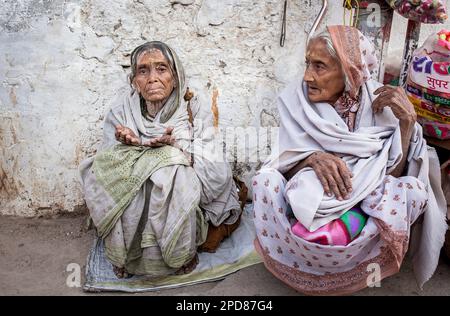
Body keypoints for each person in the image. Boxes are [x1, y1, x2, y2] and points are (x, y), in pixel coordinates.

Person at [252, 26, 447, 295]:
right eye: (307, 63)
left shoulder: (381, 103)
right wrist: (311, 158)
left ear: (349, 71)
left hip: (363, 198)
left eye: (319, 66)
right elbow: (281, 163)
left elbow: (394, 174)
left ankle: (350, 269)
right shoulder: (297, 101)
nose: (308, 75)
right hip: (314, 197)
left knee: (411, 191)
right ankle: (299, 266)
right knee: (264, 181)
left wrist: (406, 124)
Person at [79, 41, 242, 278]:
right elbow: (105, 162)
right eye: (143, 71)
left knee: (172, 169)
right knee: (122, 171)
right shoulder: (122, 110)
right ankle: (126, 252)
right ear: (134, 81)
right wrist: (127, 146)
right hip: (136, 191)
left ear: (175, 77)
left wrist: (176, 146)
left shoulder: (192, 108)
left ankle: (181, 251)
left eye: (161, 69)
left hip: (183, 183)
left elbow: (216, 169)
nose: (152, 78)